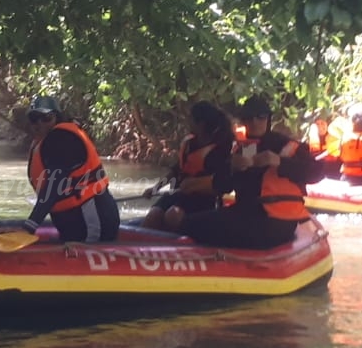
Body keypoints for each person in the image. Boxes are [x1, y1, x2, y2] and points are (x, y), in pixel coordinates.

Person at [176, 95, 325, 248]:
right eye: (248, 118)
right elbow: (224, 185)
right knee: (186, 223)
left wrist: (279, 162)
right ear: (243, 121)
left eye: (260, 117)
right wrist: (231, 168)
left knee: (191, 226)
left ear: (268, 119)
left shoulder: (286, 145)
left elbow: (317, 173)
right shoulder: (240, 148)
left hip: (279, 222)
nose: (254, 122)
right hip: (246, 215)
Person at [19, 95, 119, 243]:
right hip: (73, 224)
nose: (39, 123)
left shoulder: (62, 139)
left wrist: (29, 227)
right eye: (34, 118)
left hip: (93, 221)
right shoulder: (43, 143)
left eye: (46, 118)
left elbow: (53, 188)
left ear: (57, 118)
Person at [143, 101, 234, 229]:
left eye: (190, 119)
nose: (187, 122)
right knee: (154, 215)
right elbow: (176, 171)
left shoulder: (219, 149)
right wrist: (156, 188)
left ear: (201, 124)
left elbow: (221, 185)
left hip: (202, 201)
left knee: (173, 215)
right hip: (179, 194)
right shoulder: (189, 144)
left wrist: (194, 185)